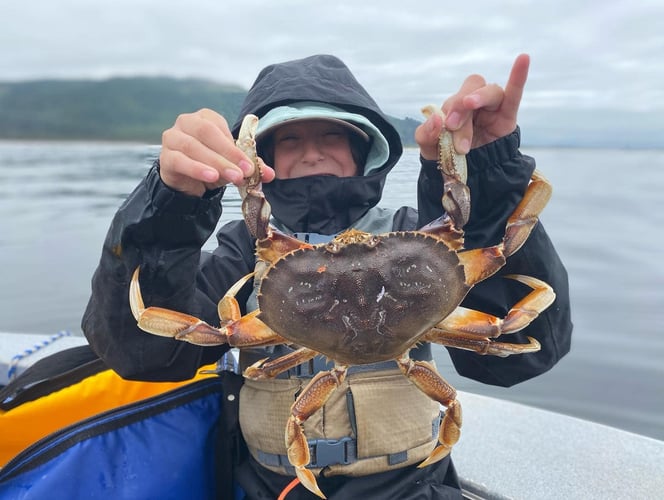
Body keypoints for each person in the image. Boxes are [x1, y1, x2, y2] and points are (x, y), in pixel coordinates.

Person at [83, 53, 572, 499]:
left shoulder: (415, 238)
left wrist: (486, 178)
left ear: (366, 151)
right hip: (270, 489)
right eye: (290, 139)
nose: (312, 153)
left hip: (411, 488)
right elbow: (144, 351)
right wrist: (172, 206)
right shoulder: (244, 253)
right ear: (261, 161)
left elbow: (520, 348)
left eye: (332, 136)